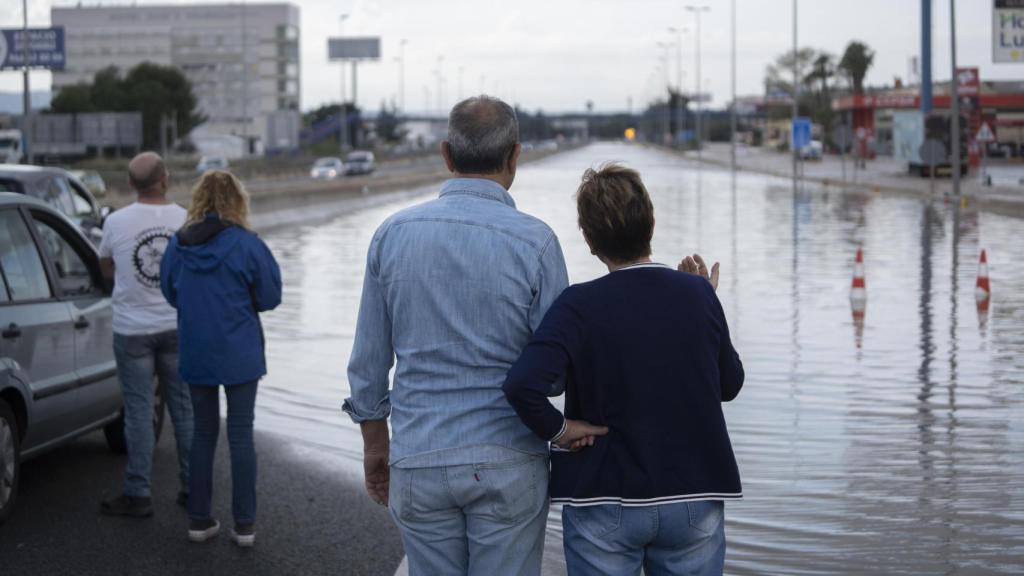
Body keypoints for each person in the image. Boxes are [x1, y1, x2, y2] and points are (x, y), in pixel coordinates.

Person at [345, 96, 603, 574]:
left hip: (418, 455)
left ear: (446, 154)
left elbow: (368, 362)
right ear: (515, 157)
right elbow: (555, 376)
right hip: (509, 459)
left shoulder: (391, 234)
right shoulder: (537, 241)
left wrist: (376, 446)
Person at [503, 164, 745, 576]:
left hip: (603, 496)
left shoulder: (577, 305)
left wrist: (560, 431)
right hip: (693, 493)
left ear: (589, 239)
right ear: (651, 221)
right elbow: (729, 385)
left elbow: (523, 384)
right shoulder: (699, 296)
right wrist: (703, 303)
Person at [160, 170, 282, 547]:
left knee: (203, 432)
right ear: (237, 200)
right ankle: (244, 525)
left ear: (198, 200)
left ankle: (199, 520)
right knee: (241, 434)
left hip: (197, 349)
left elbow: (169, 290)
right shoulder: (247, 244)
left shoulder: (178, 245)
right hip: (240, 351)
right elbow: (270, 296)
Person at [99, 152, 194, 518]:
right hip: (175, 326)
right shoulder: (186, 219)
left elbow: (105, 266)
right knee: (184, 411)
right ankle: (191, 488)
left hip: (132, 330)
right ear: (165, 180)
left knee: (138, 413)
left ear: (130, 184)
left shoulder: (115, 222)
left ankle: (138, 492)